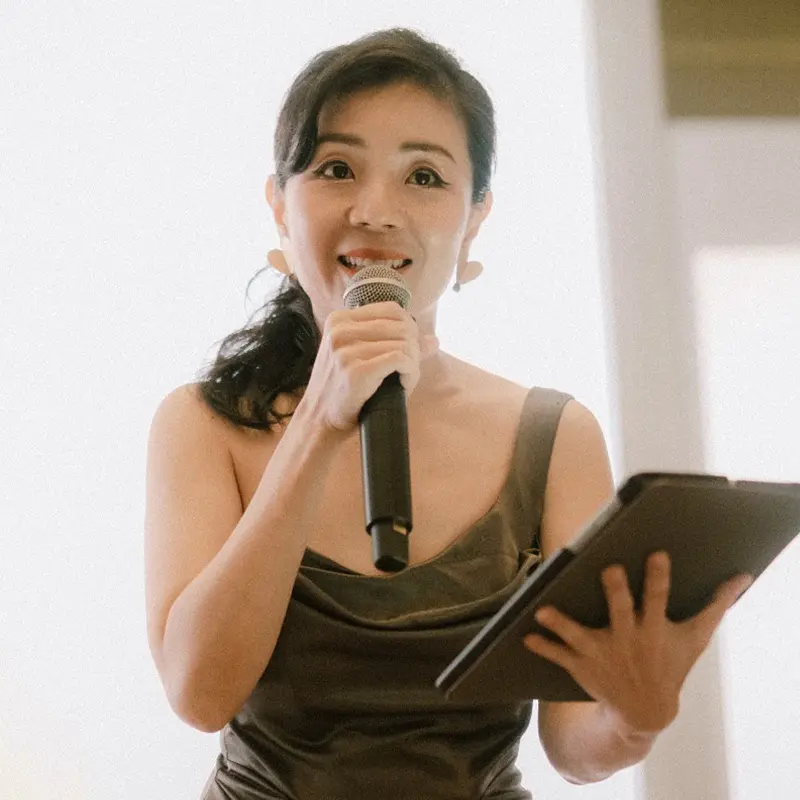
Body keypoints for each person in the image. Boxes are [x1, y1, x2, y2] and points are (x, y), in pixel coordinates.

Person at [143, 27, 752, 799]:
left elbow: (574, 746)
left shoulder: (554, 437)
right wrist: (319, 426)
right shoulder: (203, 423)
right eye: (337, 169)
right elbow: (200, 694)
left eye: (424, 176)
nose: (376, 210)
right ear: (279, 208)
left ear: (473, 220)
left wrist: (636, 716)